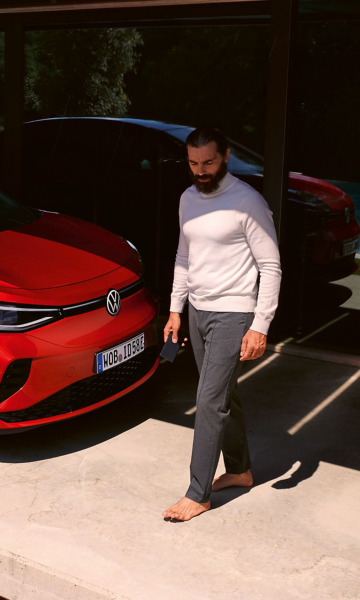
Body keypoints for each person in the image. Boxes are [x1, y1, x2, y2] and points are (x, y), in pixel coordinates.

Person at [162, 127, 282, 521]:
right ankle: (240, 470)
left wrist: (260, 325)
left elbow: (271, 266)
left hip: (234, 312)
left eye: (208, 162)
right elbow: (183, 256)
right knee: (224, 395)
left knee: (209, 401)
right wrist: (176, 309)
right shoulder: (187, 199)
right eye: (194, 163)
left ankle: (198, 493)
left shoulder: (248, 202)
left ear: (226, 156)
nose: (200, 171)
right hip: (197, 310)